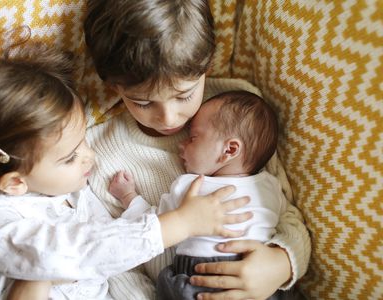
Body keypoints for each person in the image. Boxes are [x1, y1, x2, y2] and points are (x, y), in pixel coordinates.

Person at [0, 43, 251, 300]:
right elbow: (76, 251)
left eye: (83, 142)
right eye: (70, 157)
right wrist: (178, 224)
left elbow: (119, 259)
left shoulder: (76, 194)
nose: (90, 156)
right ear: (16, 183)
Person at [84, 0, 311, 299]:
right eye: (142, 102)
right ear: (115, 87)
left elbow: (284, 210)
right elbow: (115, 264)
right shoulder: (97, 152)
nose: (169, 118)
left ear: (207, 66)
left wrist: (283, 263)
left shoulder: (241, 109)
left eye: (184, 95)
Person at [109, 90, 288, 299]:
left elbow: (154, 226)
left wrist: (128, 196)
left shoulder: (191, 187)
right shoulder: (271, 186)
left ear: (230, 150)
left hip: (200, 278)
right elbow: (287, 223)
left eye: (193, 137)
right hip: (259, 282)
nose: (181, 143)